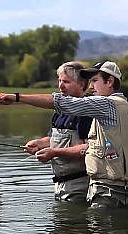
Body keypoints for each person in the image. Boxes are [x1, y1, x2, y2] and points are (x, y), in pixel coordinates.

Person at [0, 61, 128, 208]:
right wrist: (42, 143)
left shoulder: (106, 105)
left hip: (111, 191)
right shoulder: (123, 105)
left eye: (94, 81)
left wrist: (17, 97)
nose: (90, 86)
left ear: (110, 82)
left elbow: (61, 102)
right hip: (116, 189)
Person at [24, 61, 93, 203]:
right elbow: (53, 139)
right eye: (60, 80)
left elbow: (88, 148)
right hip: (60, 185)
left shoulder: (87, 112)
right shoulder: (60, 111)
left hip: (80, 185)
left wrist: (54, 152)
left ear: (82, 84)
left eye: (66, 81)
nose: (60, 86)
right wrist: (39, 143)